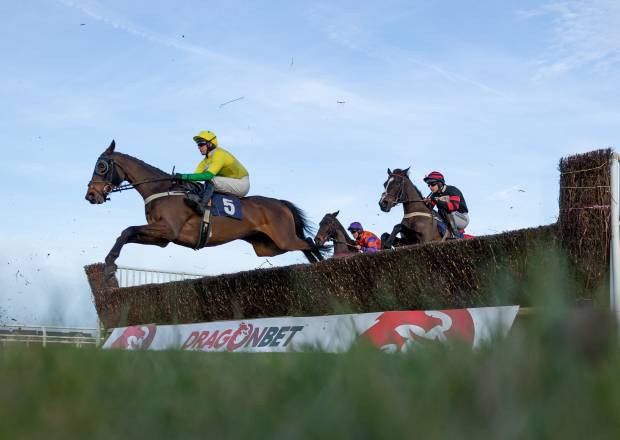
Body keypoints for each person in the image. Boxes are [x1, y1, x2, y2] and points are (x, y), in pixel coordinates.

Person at [174, 130, 250, 215]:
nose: (199, 148)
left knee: (211, 180)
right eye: (198, 145)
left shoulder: (220, 155)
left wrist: (184, 176)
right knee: (200, 185)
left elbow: (208, 176)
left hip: (242, 183)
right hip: (228, 182)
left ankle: (202, 206)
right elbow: (195, 177)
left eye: (201, 144)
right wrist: (179, 180)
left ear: (210, 144)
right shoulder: (205, 161)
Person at [423, 171, 469, 238]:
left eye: (432, 184)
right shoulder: (434, 195)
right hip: (448, 217)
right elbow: (429, 209)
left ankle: (456, 236)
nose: (430, 187)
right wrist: (425, 203)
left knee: (445, 210)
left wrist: (436, 200)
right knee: (431, 213)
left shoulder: (452, 190)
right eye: (428, 185)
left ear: (440, 183)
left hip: (462, 218)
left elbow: (453, 207)